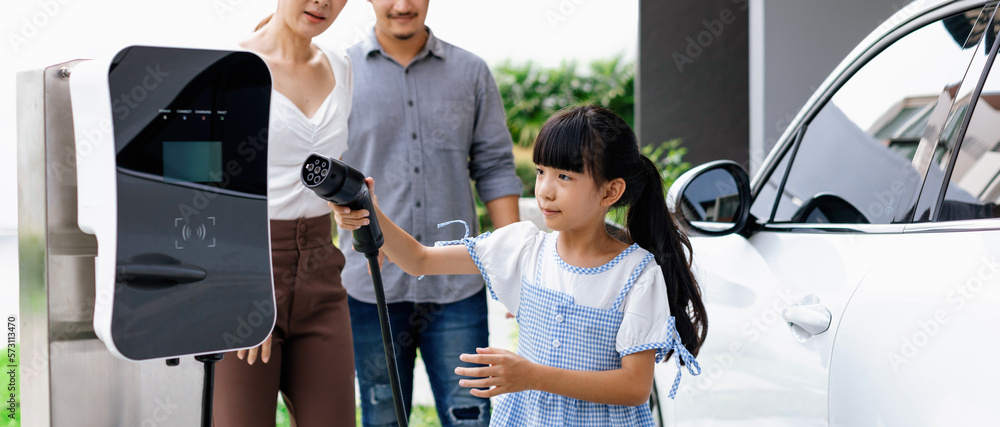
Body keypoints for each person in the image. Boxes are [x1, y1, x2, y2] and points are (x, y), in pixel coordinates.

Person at [335, 105, 707, 426]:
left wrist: (531, 375)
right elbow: (420, 259)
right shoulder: (524, 249)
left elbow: (634, 388)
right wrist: (370, 210)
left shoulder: (637, 273)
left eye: (565, 177)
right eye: (541, 171)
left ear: (611, 191)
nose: (545, 189)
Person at [339, 0, 522, 425]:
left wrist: (515, 264)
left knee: (470, 416)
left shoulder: (471, 71)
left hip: (456, 287)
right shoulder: (339, 73)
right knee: (382, 417)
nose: (402, 5)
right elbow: (322, 171)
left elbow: (494, 167)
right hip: (372, 290)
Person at [212, 1, 357, 425]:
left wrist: (344, 200)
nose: (322, 3)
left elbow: (318, 164)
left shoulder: (341, 66)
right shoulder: (228, 67)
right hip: (244, 272)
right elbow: (195, 191)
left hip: (321, 271)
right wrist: (238, 286)